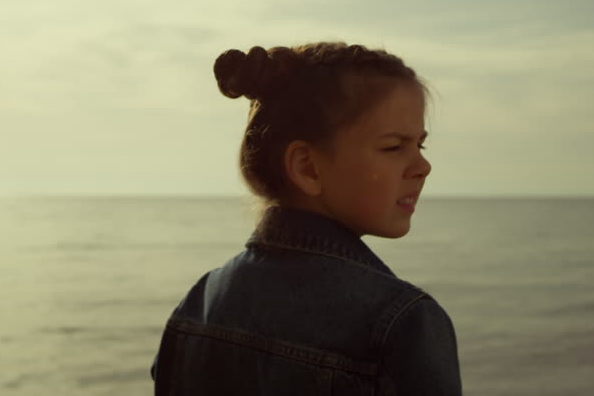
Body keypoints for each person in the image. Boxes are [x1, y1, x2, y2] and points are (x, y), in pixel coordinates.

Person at [150, 42, 463, 394]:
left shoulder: (200, 303)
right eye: (393, 147)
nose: (423, 167)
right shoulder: (402, 323)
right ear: (307, 167)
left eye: (420, 145)